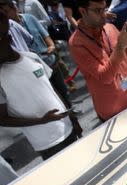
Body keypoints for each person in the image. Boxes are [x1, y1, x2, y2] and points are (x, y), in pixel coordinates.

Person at [0, 12, 81, 160]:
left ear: (8, 38)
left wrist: (73, 119)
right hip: (47, 143)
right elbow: (2, 119)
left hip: (67, 128)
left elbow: (52, 90)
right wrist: (42, 120)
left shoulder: (32, 57)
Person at [69, 0, 127, 122]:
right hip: (114, 113)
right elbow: (105, 76)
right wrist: (120, 47)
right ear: (83, 11)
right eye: (98, 11)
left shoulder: (110, 28)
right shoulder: (77, 43)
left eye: (104, 9)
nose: (104, 14)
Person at [0, 0, 70, 104]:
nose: (4, 16)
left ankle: (72, 116)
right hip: (34, 69)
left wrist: (51, 46)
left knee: (63, 92)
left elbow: (44, 35)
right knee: (51, 96)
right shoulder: (7, 30)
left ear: (14, 9)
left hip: (49, 61)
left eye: (6, 12)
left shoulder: (28, 18)